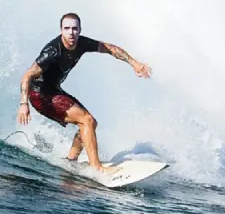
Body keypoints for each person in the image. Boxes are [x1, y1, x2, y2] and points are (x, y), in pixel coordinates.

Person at [17, 12, 151, 172]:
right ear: (61, 30)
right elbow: (26, 76)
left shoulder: (82, 43)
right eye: (67, 28)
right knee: (86, 120)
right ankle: (97, 168)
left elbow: (110, 48)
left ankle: (70, 161)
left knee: (91, 123)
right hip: (40, 95)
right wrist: (24, 104)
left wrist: (134, 63)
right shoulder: (52, 52)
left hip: (54, 91)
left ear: (80, 30)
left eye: (75, 28)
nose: (71, 32)